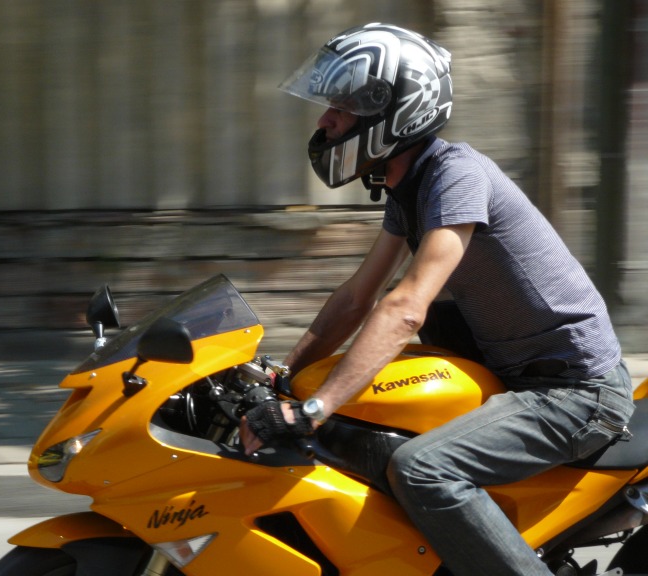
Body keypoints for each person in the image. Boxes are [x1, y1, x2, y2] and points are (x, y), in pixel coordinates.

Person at [239, 22, 636, 576]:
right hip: (520, 377)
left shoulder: (456, 175)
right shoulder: (410, 190)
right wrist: (284, 378)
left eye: (342, 107)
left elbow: (406, 308)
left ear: (396, 112)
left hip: (575, 394)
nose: (326, 120)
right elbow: (355, 298)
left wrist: (311, 410)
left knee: (423, 469)